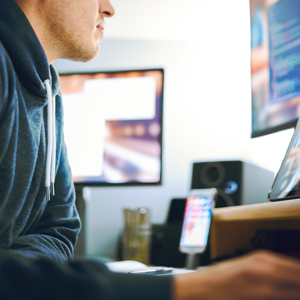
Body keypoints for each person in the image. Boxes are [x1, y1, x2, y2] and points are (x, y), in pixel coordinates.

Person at [1, 0, 300, 299]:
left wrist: (23, 274)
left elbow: (60, 230)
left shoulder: (49, 92)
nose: (108, 9)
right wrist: (180, 288)